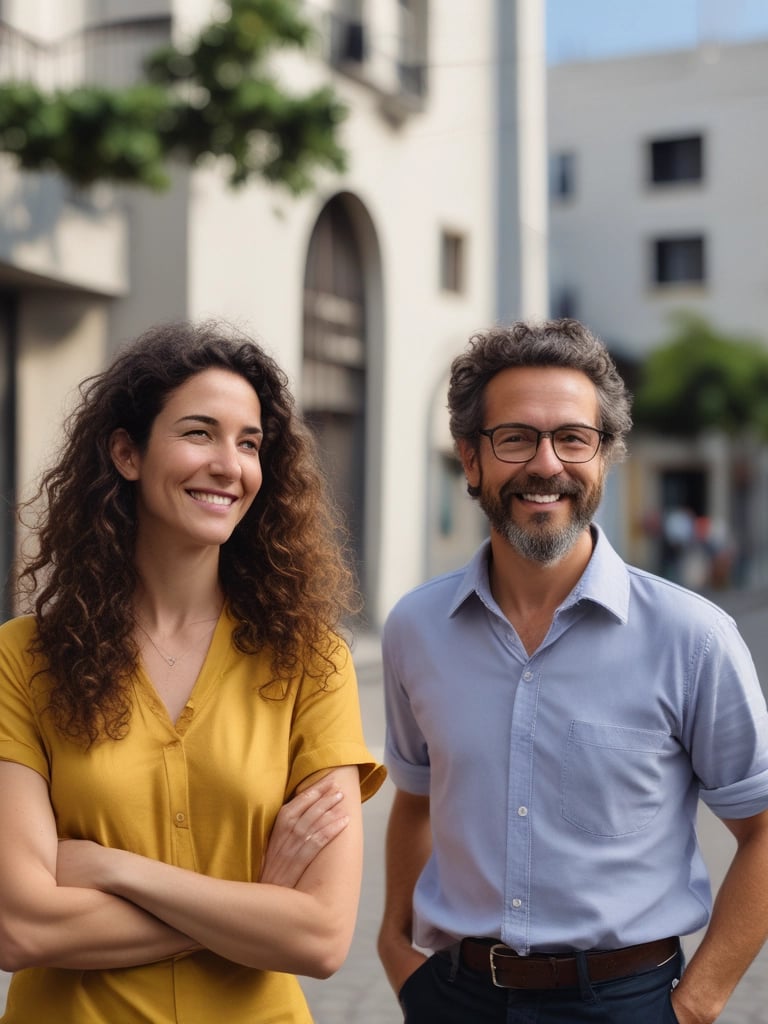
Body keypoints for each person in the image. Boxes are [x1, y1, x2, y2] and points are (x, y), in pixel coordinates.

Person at [377, 318, 768, 1023]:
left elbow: (764, 829)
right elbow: (415, 798)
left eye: (572, 438)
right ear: (471, 459)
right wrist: (395, 952)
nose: (547, 463)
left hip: (628, 1002)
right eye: (516, 438)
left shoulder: (694, 638)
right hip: (456, 998)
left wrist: (697, 1004)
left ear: (605, 456)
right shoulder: (415, 629)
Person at [0, 320, 385, 1023]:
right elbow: (22, 927)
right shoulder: (23, 659)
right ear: (126, 453)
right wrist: (253, 906)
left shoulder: (312, 662)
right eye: (199, 433)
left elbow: (323, 936)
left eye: (249, 443)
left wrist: (117, 870)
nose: (229, 465)